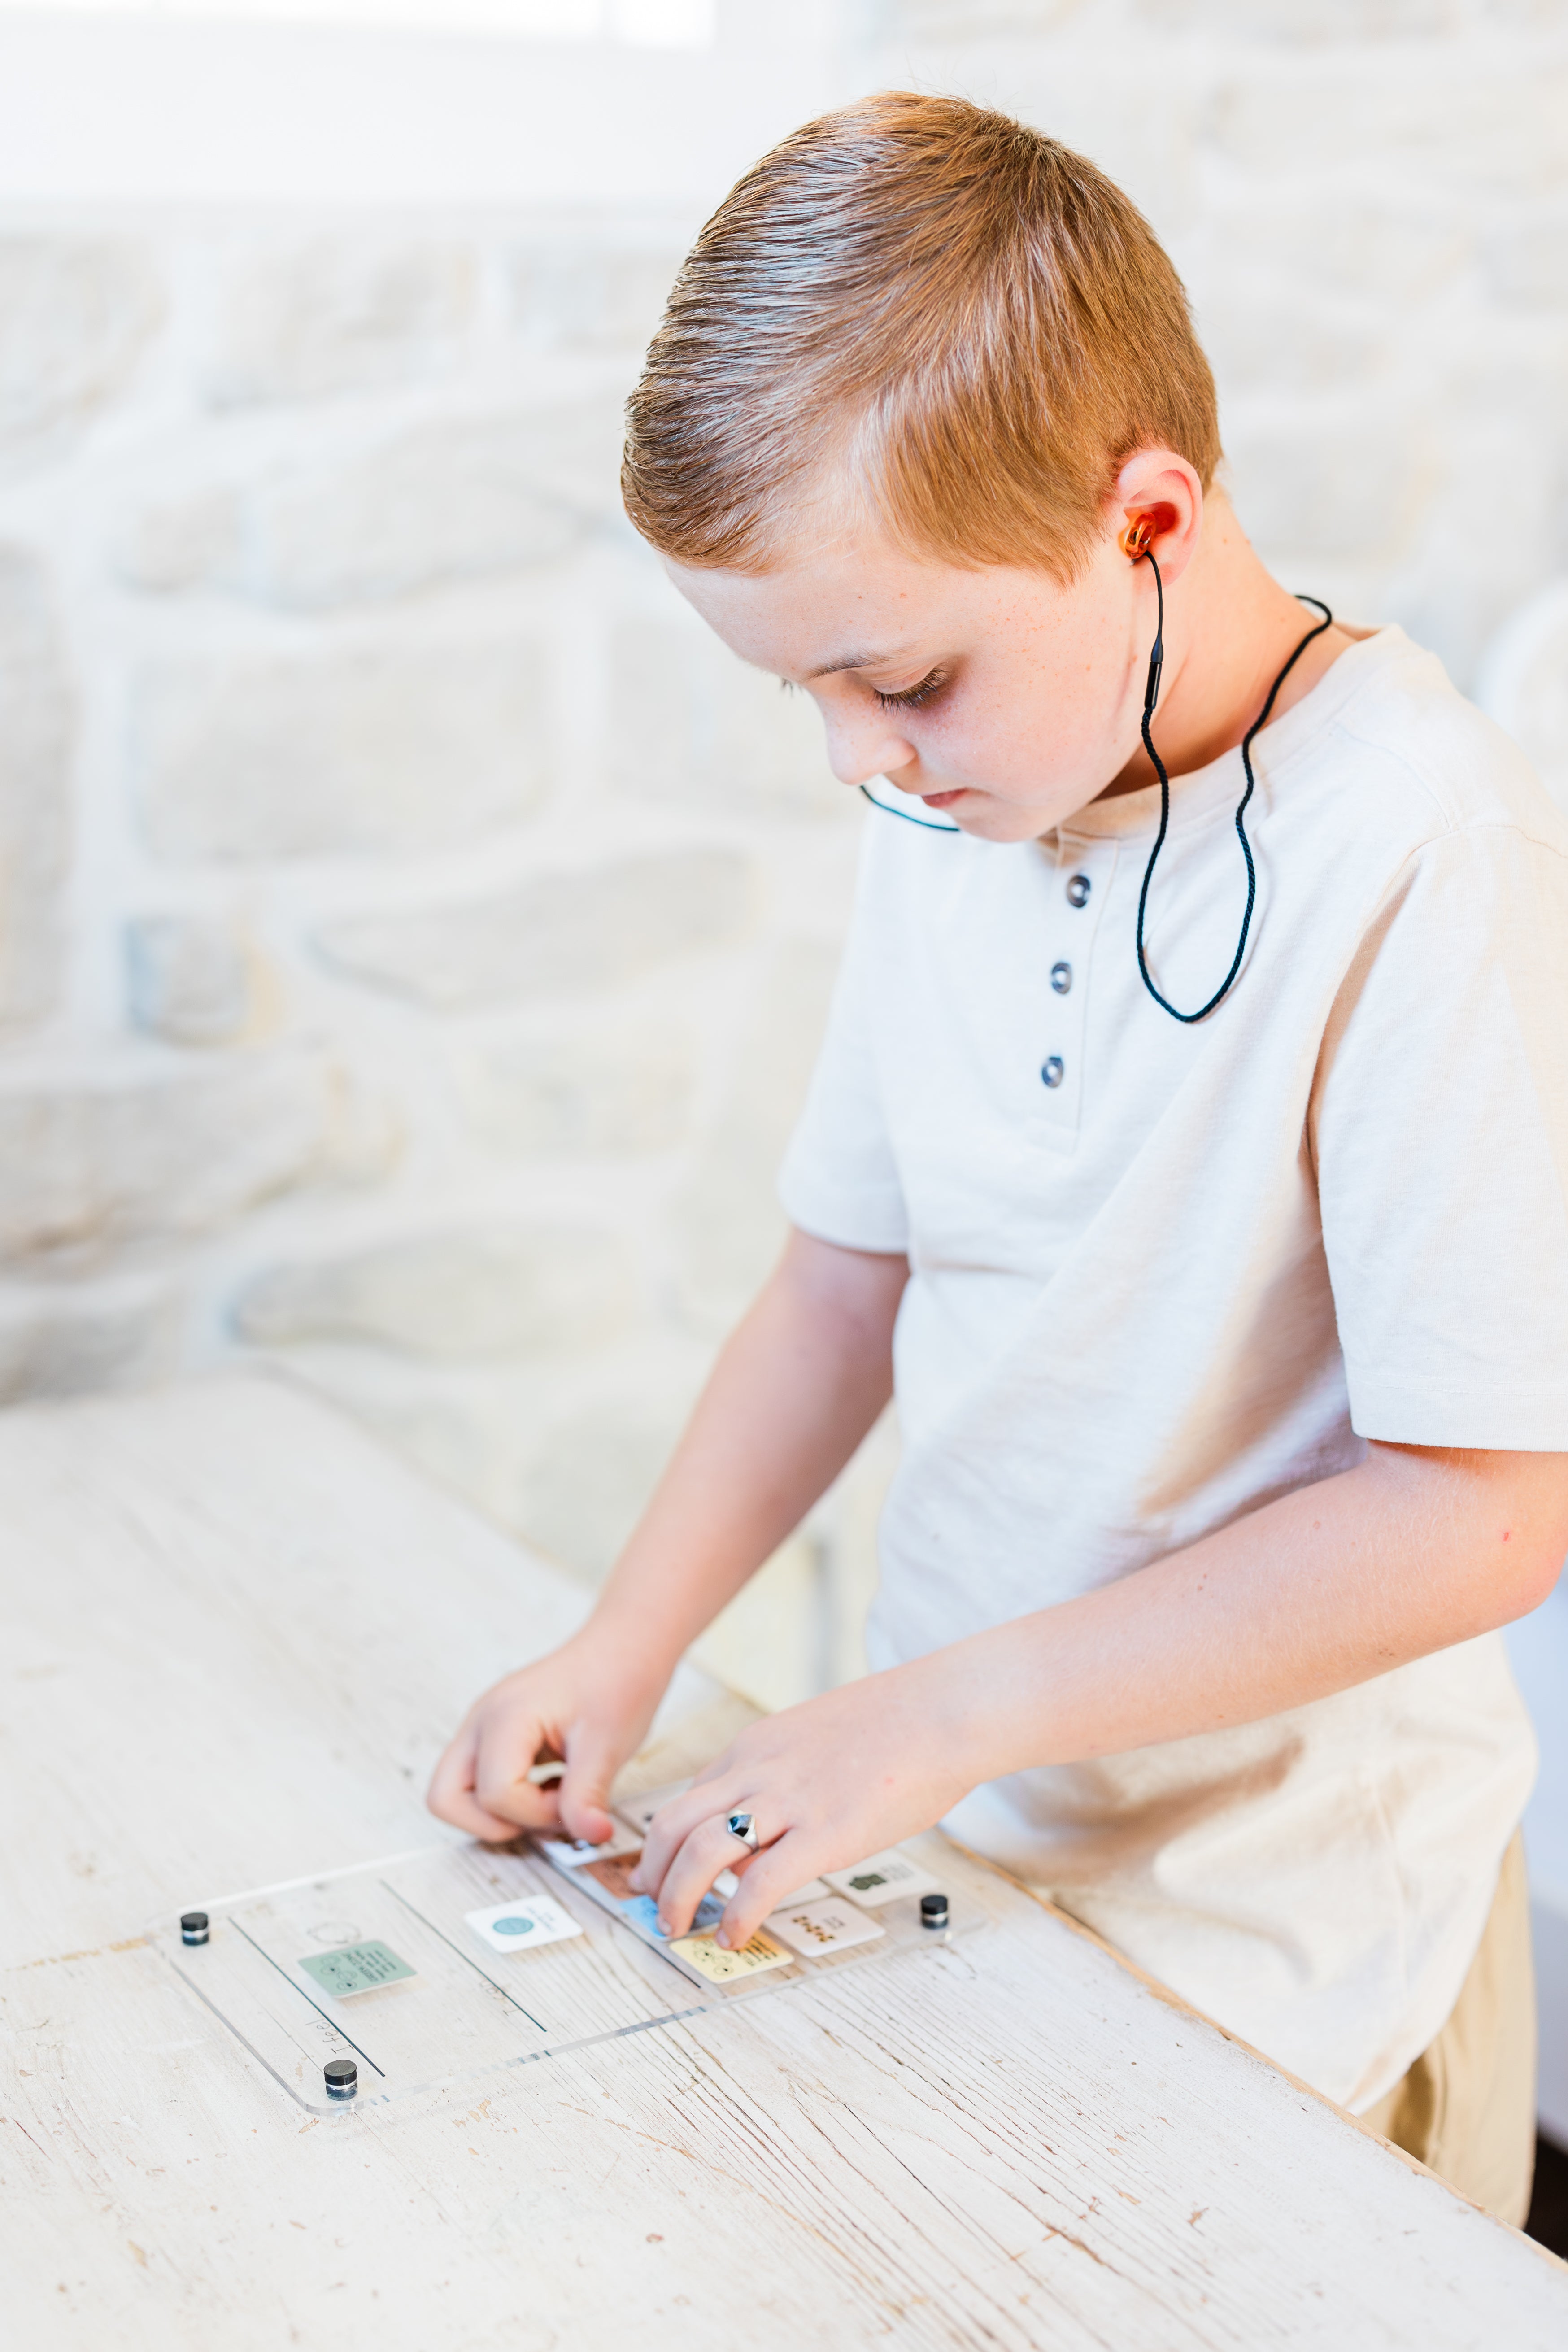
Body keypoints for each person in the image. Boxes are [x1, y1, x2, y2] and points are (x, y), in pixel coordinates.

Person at [428, 93, 1568, 2224]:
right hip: (959, 1844)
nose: (861, 755)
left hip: (1300, 1951)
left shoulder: (1425, 844)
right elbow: (841, 1285)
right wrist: (629, 1643)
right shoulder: (963, 800)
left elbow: (1483, 1518)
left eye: (902, 676)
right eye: (816, 701)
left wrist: (937, 1715)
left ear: (1147, 521)